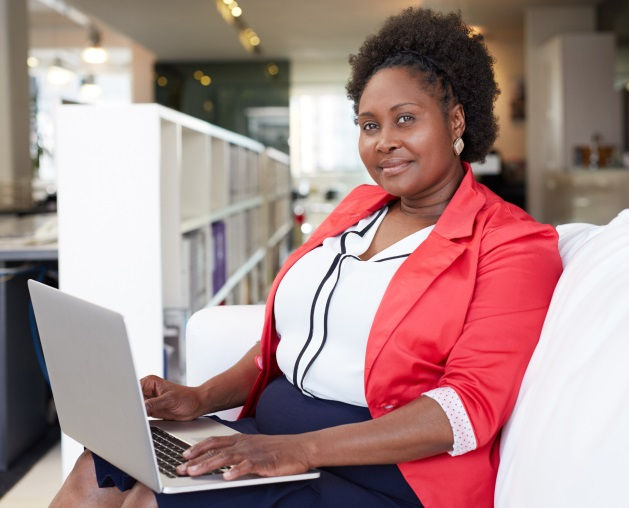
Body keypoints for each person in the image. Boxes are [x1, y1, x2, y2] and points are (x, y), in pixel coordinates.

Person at [51, 7, 562, 508]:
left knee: (148, 499)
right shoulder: (359, 210)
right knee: (100, 469)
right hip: (270, 440)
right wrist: (202, 398)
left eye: (405, 119)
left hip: (386, 476)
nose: (385, 142)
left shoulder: (510, 243)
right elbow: (288, 341)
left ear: (455, 120)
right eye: (368, 125)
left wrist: (293, 450)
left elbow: (467, 408)